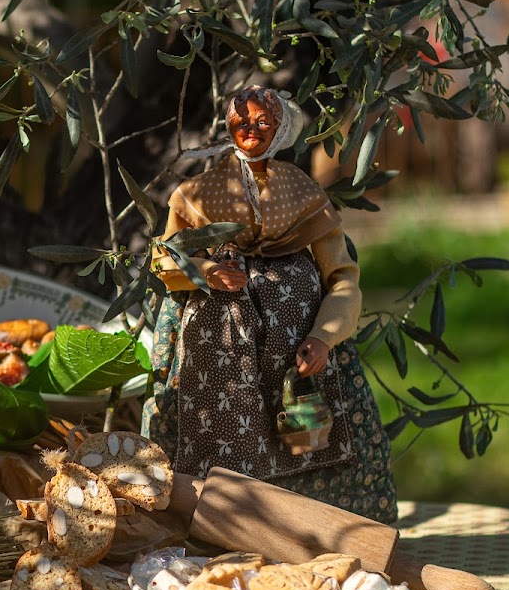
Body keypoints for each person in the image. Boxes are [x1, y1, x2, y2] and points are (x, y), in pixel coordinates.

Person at [143, 85, 396, 523]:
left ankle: (321, 528)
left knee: (310, 429)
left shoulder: (302, 194)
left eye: (263, 122)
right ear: (228, 125)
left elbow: (342, 277)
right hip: (217, 358)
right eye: (242, 121)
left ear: (279, 131)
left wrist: (324, 337)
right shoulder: (198, 194)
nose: (251, 130)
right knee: (207, 442)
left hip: (294, 352)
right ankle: (203, 521)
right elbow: (165, 257)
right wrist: (204, 272)